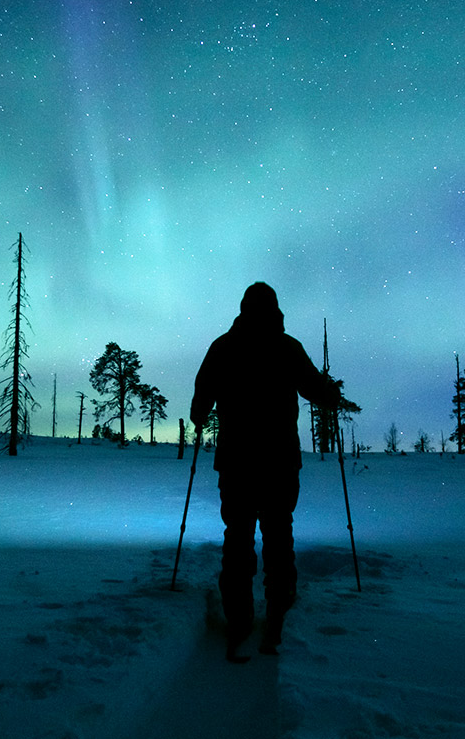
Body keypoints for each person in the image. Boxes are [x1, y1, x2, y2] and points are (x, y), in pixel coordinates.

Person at [190, 282, 343, 662]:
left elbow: (201, 398)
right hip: (279, 460)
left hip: (237, 461)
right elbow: (315, 388)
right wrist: (331, 395)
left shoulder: (223, 347)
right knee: (278, 534)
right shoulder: (287, 347)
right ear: (275, 310)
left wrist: (199, 414)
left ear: (243, 308)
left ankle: (238, 616)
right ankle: (278, 608)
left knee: (238, 536)